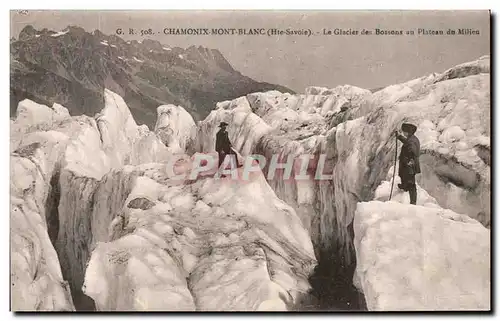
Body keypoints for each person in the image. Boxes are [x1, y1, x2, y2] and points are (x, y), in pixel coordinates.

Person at [394, 123, 421, 205]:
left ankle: (413, 202)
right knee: (404, 175)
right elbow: (407, 142)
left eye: (404, 131)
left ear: (408, 132)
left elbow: (413, 151)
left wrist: (410, 160)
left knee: (411, 182)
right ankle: (404, 186)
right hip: (407, 163)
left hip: (409, 164)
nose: (403, 133)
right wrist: (399, 137)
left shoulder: (412, 140)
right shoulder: (411, 138)